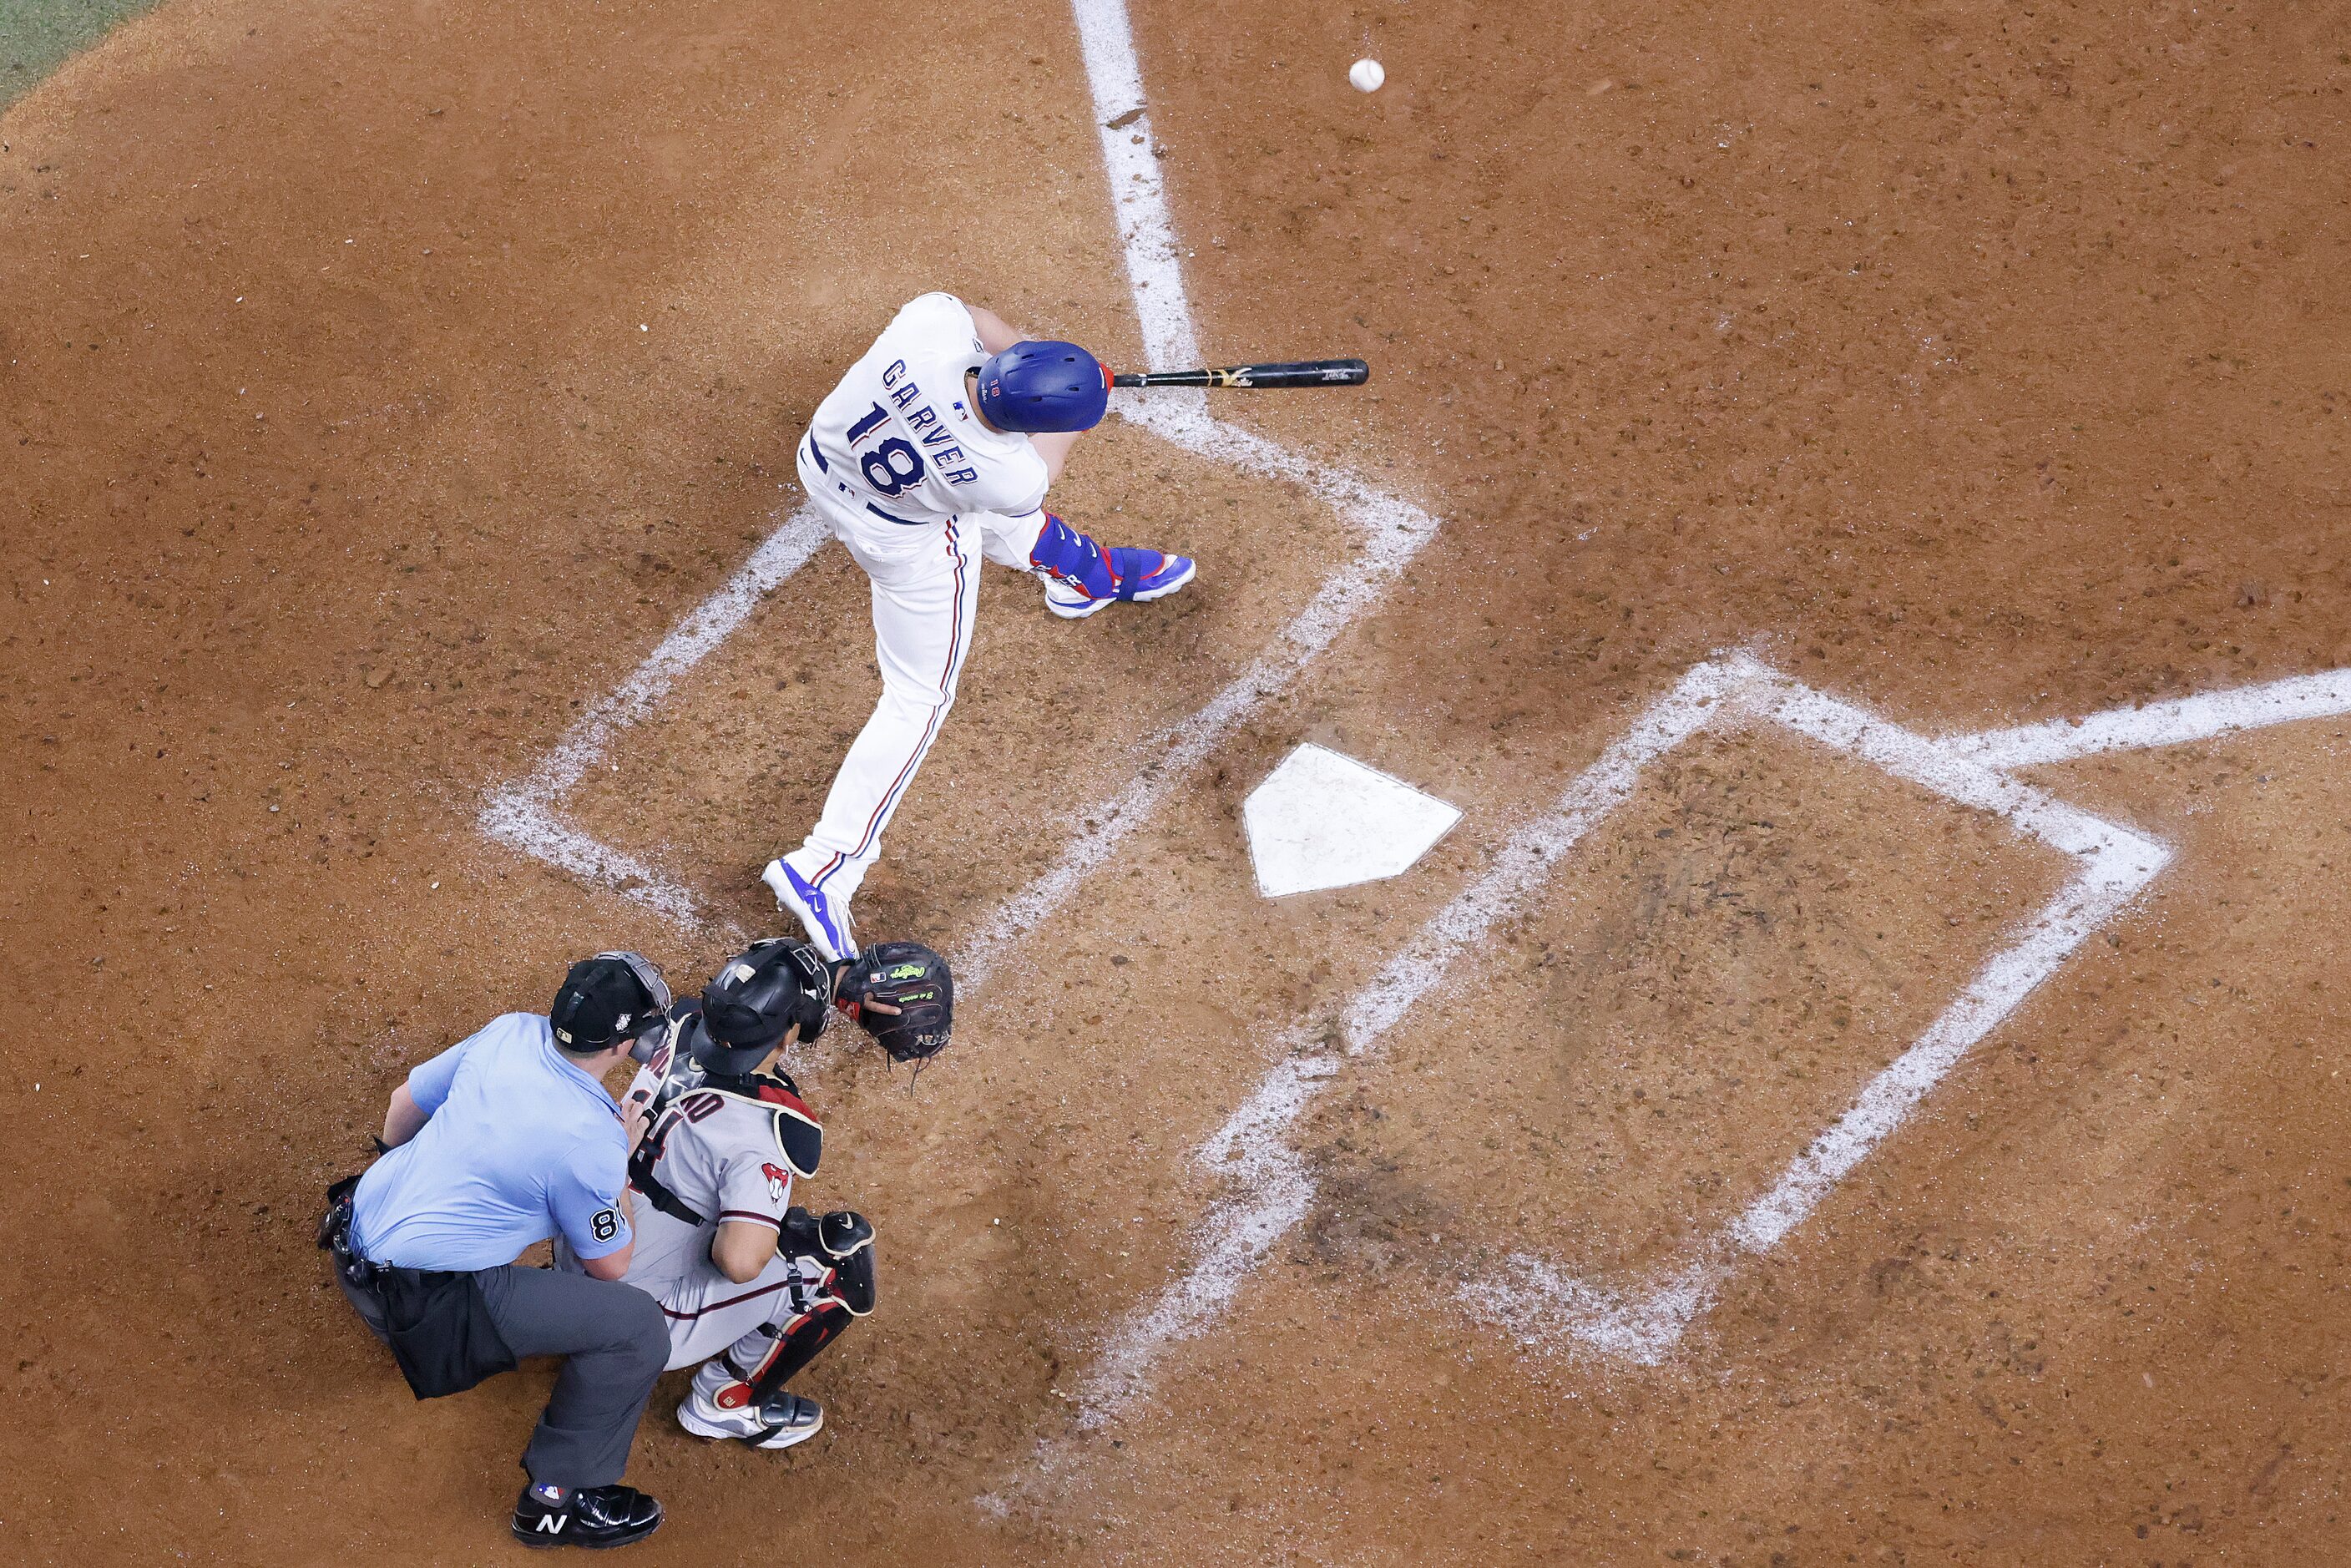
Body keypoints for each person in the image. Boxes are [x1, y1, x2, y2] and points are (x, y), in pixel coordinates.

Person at [763, 292, 1196, 959]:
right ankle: (824, 864)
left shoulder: (928, 325)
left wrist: (1049, 373)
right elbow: (1039, 470)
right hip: (899, 542)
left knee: (978, 506)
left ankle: (1087, 577)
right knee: (919, 698)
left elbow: (991, 329)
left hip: (822, 462)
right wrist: (1079, 406)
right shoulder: (1007, 473)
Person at [317, 952, 676, 1551]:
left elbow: (405, 1103)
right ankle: (560, 1501)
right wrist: (618, 1161)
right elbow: (609, 1266)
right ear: (624, 1048)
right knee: (638, 1327)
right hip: (414, 1307)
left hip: (351, 1232)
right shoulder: (592, 1136)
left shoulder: (511, 1030)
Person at [575, 937, 953, 1448]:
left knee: (694, 1198)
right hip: (631, 1323)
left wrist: (836, 984)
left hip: (579, 1258)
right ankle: (728, 1402)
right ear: (788, 1035)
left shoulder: (681, 1027)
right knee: (833, 1261)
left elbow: (750, 993)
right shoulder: (765, 1133)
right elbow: (739, 1264)